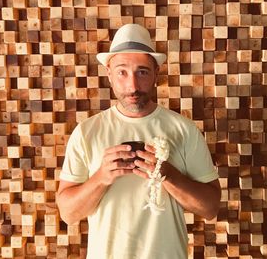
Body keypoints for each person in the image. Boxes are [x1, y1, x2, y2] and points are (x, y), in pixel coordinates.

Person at [57, 24, 221, 259]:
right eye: (122, 72)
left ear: (156, 73)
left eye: (142, 72)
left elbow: (210, 208)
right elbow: (68, 214)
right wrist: (101, 177)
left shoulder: (184, 130)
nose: (132, 86)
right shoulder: (86, 132)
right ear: (109, 74)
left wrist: (167, 174)